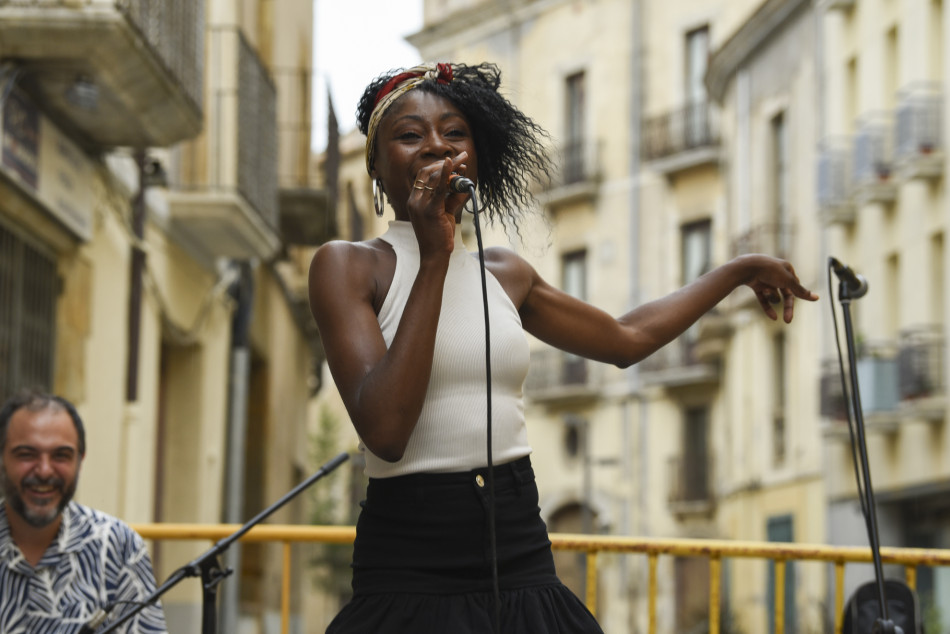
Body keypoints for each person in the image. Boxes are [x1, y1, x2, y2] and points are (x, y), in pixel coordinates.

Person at [308, 61, 819, 633]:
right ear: (376, 166)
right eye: (409, 134)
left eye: (455, 133)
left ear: (476, 156)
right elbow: (386, 431)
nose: (435, 146)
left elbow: (626, 340)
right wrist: (433, 257)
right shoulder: (347, 266)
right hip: (411, 566)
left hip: (521, 551)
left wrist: (734, 271)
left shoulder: (504, 273)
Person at [0, 390, 167, 633]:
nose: (45, 470)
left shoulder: (118, 546)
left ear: (80, 460)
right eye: (27, 454)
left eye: (61, 455)